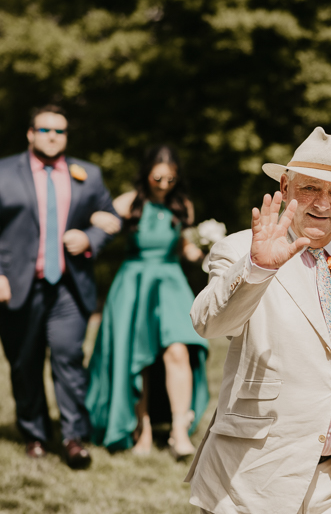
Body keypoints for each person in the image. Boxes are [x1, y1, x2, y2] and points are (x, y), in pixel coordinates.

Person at [185, 127, 331, 514]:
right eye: (311, 188)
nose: (322, 204)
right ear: (285, 185)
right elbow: (209, 323)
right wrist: (258, 268)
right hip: (254, 473)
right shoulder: (243, 249)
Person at [0, 105, 118, 468]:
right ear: (30, 133)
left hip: (69, 286)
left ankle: (72, 437)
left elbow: (110, 217)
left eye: (60, 131)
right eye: (45, 130)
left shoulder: (88, 174)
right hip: (19, 285)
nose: (53, 136)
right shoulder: (0, 172)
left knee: (69, 358)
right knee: (25, 363)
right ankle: (35, 433)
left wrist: (90, 238)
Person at [85, 145, 210, 459]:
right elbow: (99, 221)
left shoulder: (183, 206)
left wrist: (201, 252)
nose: (164, 184)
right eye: (158, 178)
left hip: (171, 284)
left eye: (170, 179)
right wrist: (97, 218)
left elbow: (182, 242)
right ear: (147, 173)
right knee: (136, 354)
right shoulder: (129, 203)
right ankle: (143, 430)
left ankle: (179, 432)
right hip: (134, 284)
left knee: (178, 350)